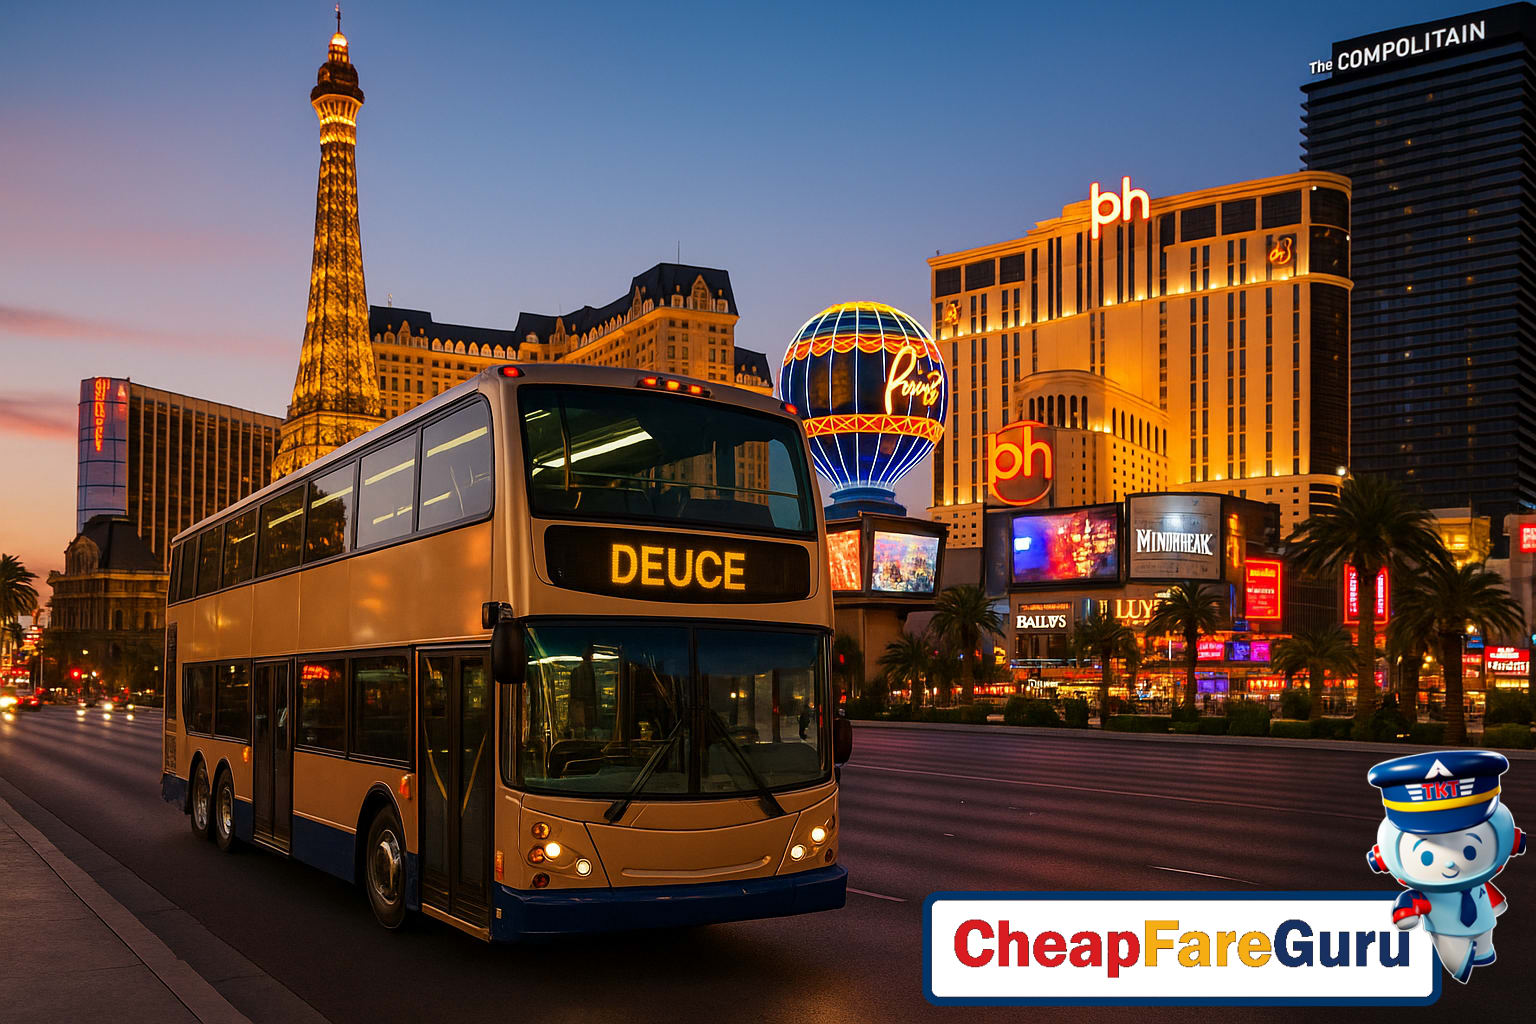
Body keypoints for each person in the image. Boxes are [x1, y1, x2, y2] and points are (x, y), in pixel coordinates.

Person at [1366, 750, 1525, 983]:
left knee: (1483, 948)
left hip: (1482, 923)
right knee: (1455, 956)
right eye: (1428, 855)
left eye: (1468, 849)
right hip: (1447, 930)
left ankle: (1482, 954)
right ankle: (1460, 963)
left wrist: (1496, 905)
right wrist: (1407, 912)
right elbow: (1410, 906)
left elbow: (1489, 896)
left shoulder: (1483, 875)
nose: (1451, 862)